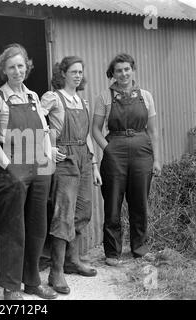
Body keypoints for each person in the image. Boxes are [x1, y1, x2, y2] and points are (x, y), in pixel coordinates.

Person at [0, 44, 57, 300]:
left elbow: (45, 132)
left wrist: (47, 160)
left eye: (20, 66)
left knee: (37, 226)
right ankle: (11, 287)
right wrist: (9, 168)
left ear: (27, 67)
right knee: (13, 229)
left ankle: (33, 282)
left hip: (39, 167)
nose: (17, 71)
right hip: (12, 167)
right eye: (11, 67)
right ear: (4, 70)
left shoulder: (34, 97)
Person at [92, 53, 161, 267]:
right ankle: (112, 253)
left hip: (142, 151)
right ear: (112, 74)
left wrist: (156, 160)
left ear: (133, 70)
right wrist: (108, 149)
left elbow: (153, 130)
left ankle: (139, 249)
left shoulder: (146, 96)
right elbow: (95, 129)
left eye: (126, 69)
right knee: (113, 202)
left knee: (139, 202)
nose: (123, 74)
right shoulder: (105, 96)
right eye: (118, 70)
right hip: (115, 150)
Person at [41, 56, 102, 294]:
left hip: (84, 159)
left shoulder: (82, 101)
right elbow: (36, 121)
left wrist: (94, 164)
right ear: (63, 73)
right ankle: (56, 271)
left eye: (80, 72)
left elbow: (87, 136)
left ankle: (72, 260)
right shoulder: (53, 97)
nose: (78, 75)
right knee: (63, 214)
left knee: (83, 210)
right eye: (73, 71)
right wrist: (49, 146)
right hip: (64, 158)